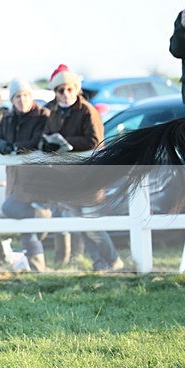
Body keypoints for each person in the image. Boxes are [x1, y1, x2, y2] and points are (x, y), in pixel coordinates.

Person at [42, 64, 123, 272]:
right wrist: (50, 145)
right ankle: (99, 262)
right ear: (56, 92)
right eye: (61, 90)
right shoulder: (54, 113)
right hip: (68, 177)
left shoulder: (87, 111)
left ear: (76, 89)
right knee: (80, 224)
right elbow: (48, 135)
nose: (66, 94)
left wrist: (67, 142)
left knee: (91, 223)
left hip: (88, 175)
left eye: (69, 89)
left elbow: (96, 141)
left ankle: (113, 260)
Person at [0, 79, 51, 272]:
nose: (22, 100)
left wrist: (16, 148)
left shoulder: (43, 115)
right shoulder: (8, 119)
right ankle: (38, 268)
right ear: (12, 99)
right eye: (17, 96)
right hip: (16, 177)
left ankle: (43, 217)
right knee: (27, 226)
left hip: (37, 177)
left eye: (25, 95)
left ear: (31, 96)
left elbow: (39, 141)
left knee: (9, 208)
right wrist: (1, 145)